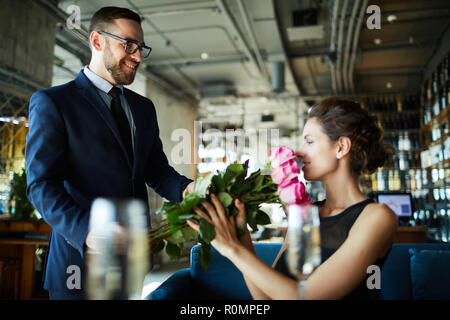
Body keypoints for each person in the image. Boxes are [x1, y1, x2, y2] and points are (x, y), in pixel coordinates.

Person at [26, 7, 194, 300]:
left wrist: (190, 190)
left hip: (134, 259)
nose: (138, 56)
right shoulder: (54, 103)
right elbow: (40, 184)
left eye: (141, 48)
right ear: (97, 40)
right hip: (77, 262)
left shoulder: (143, 108)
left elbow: (156, 170)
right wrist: (87, 231)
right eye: (128, 45)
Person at [187, 97, 398, 300]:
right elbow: (266, 298)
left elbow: (308, 297)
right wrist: (242, 238)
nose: (299, 151)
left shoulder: (377, 217)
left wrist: (231, 249)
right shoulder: (305, 213)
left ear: (341, 147)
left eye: (309, 141)